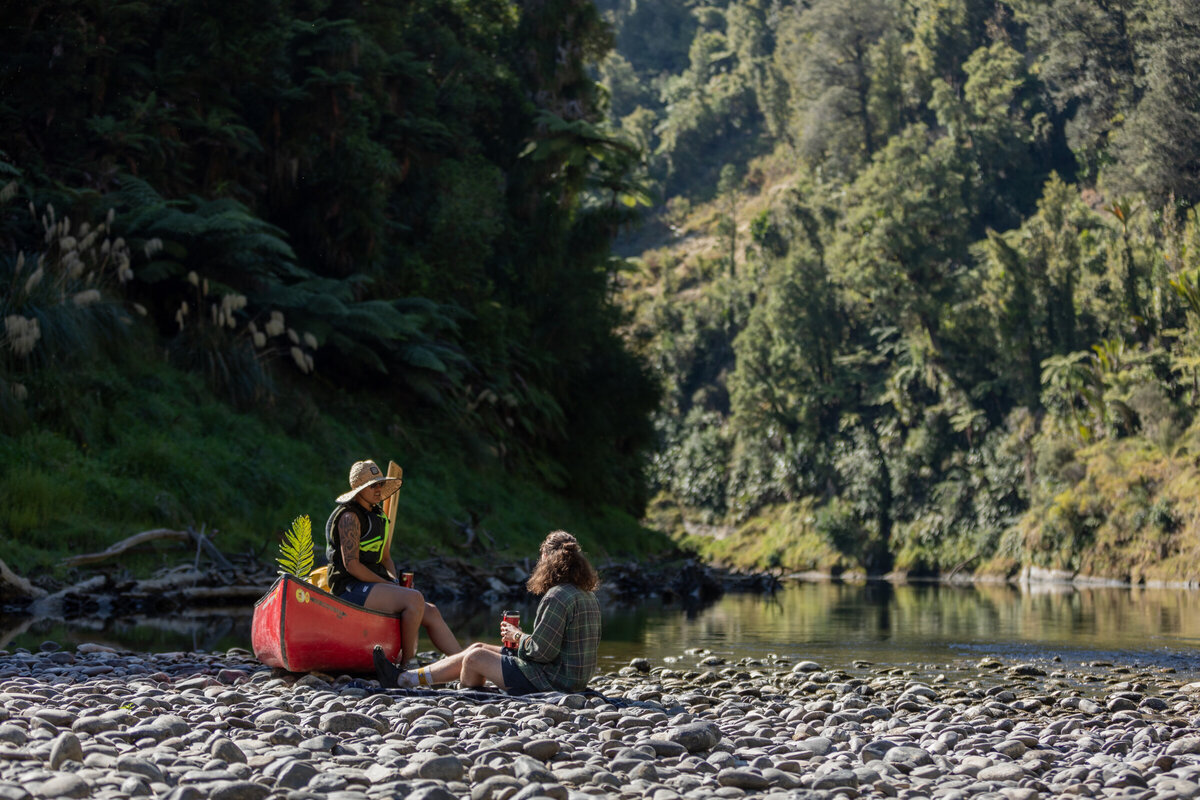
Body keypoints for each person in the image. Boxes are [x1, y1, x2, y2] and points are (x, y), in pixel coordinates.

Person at [374, 530, 600, 693]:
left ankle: (464, 689)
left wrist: (517, 636)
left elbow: (541, 653)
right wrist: (522, 638)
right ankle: (407, 678)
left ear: (549, 560)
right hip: (571, 678)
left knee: (475, 658)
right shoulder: (585, 594)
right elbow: (554, 647)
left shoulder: (557, 595)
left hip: (552, 680)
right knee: (478, 647)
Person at [326, 459, 461, 664]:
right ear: (359, 489)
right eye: (372, 485)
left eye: (380, 484)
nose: (378, 489)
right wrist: (388, 586)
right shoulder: (349, 517)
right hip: (349, 587)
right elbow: (351, 565)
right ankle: (407, 665)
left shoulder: (380, 517)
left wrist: (395, 583)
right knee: (413, 598)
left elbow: (385, 557)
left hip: (373, 585)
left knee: (430, 610)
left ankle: (463, 660)